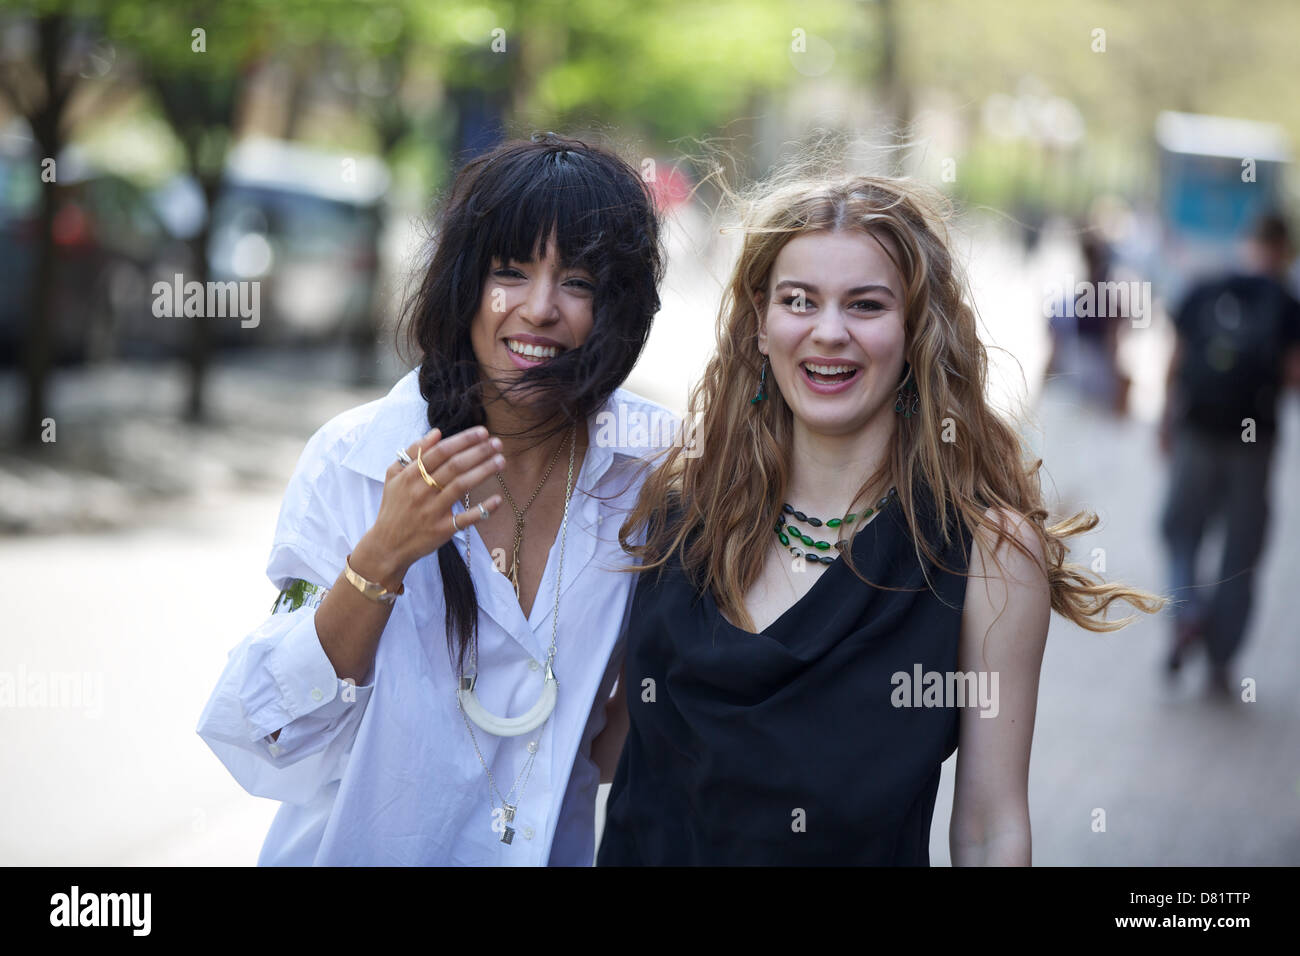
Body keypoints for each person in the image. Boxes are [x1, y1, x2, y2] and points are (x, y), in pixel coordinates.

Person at [592, 174, 1167, 865]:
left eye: (865, 305)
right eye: (798, 300)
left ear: (916, 328)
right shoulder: (677, 511)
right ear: (760, 323)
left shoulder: (985, 554)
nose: (828, 332)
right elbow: (602, 749)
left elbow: (990, 832)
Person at [197, 134, 671, 865]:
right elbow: (270, 733)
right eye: (508, 272)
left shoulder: (650, 465)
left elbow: (635, 724)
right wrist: (383, 555)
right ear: (464, 282)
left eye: (577, 281)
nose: (538, 309)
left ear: (619, 304)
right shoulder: (353, 457)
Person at [1157, 212, 1300, 695]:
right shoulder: (1285, 301)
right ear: (1285, 251)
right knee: (1240, 551)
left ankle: (1186, 613)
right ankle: (1220, 660)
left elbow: (1175, 361)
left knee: (1180, 531)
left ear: (1248, 241)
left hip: (1197, 431)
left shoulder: (1208, 284)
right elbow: (1292, 375)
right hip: (1253, 443)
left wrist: (1164, 420)